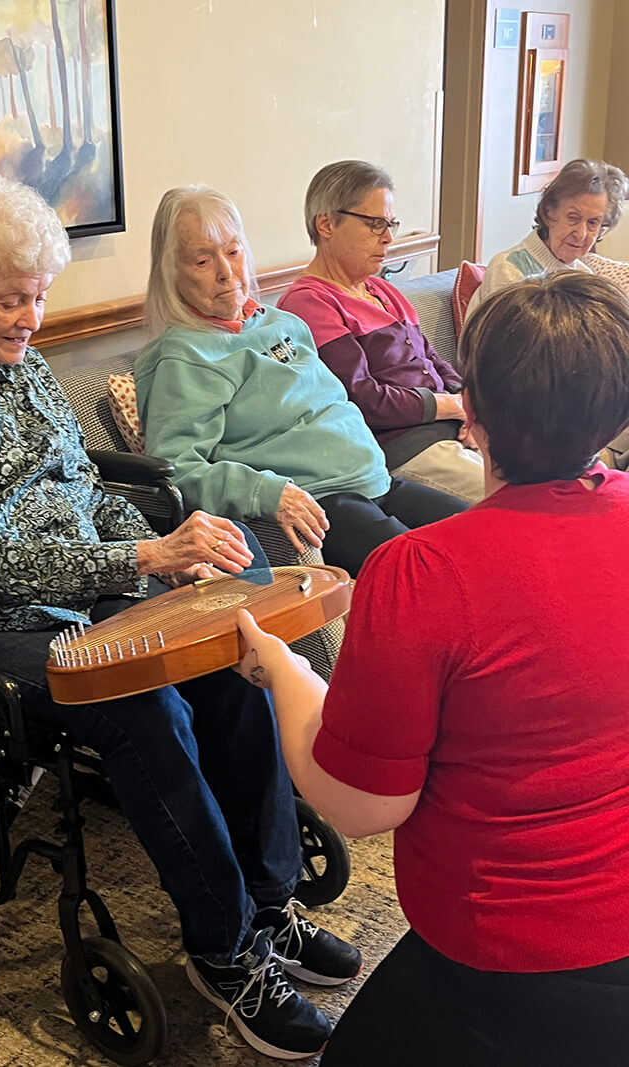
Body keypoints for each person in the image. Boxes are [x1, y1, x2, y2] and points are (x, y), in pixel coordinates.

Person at [0, 173, 362, 1062]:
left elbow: (86, 494)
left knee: (230, 652)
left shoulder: (22, 366)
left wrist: (170, 546)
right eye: (12, 299)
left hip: (86, 590)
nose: (31, 318)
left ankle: (271, 904)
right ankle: (225, 949)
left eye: (40, 296)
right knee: (144, 707)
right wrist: (141, 560)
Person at [233, 273, 629, 1066]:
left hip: (508, 955)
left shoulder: (422, 571)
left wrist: (283, 671)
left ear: (471, 417)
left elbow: (360, 803)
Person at [134, 185, 466, 579]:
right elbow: (176, 472)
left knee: (487, 538)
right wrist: (267, 493)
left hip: (376, 480)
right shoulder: (184, 356)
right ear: (171, 272)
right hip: (324, 501)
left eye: (233, 251)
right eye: (203, 261)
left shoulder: (282, 323)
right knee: (432, 575)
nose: (226, 273)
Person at [279, 160, 484, 505]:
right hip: (403, 448)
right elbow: (362, 398)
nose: (388, 237)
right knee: (521, 502)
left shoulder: (382, 291)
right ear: (326, 223)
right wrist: (450, 405)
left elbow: (434, 360)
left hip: (452, 431)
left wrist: (472, 407)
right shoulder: (308, 303)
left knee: (555, 477)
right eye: (375, 224)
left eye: (389, 224)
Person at [466, 157, 628, 320]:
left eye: (593, 222)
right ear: (549, 212)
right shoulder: (509, 269)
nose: (581, 234)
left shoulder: (583, 275)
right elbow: (510, 343)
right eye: (573, 218)